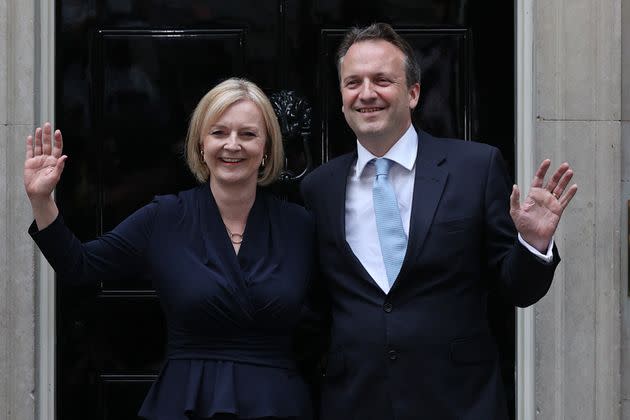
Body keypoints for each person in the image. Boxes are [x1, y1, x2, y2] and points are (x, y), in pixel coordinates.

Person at [300, 23, 577, 420]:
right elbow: (313, 307)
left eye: (382, 80)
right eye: (353, 82)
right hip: (355, 401)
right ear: (342, 98)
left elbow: (515, 289)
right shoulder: (318, 189)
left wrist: (532, 246)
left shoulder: (475, 168)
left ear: (413, 93)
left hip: (459, 402)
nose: (366, 94)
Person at [25, 78, 315, 420]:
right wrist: (41, 200)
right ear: (201, 145)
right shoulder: (164, 217)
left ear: (267, 147)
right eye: (219, 133)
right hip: (187, 402)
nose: (232, 145)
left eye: (248, 134)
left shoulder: (300, 225)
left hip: (276, 404)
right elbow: (81, 266)